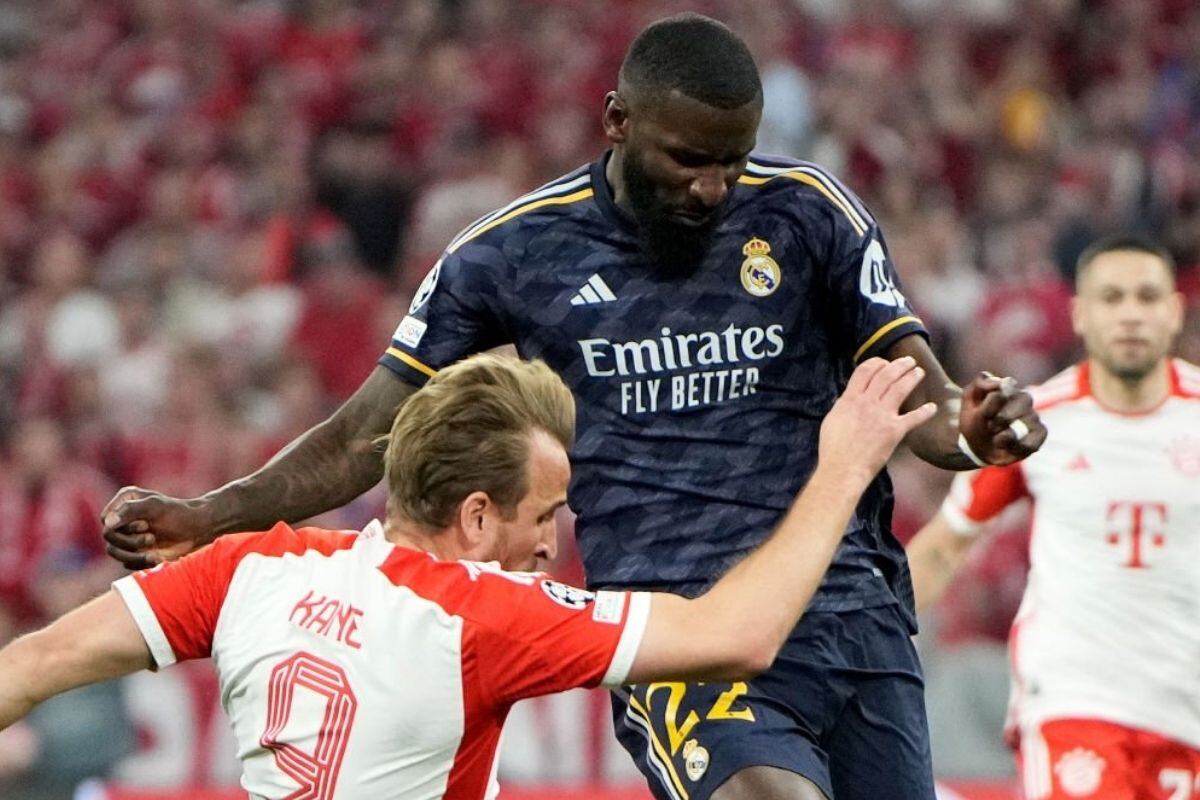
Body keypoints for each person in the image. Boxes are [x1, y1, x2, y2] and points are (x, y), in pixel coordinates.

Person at [102, 14, 1047, 800]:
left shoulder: (807, 214)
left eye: (731, 161)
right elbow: (366, 432)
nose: (713, 188)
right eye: (687, 159)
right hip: (683, 634)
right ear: (616, 121)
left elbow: (914, 393)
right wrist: (215, 513)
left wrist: (969, 431)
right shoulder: (514, 253)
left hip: (856, 616)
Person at [6, 352, 934, 799]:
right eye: (545, 516)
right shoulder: (484, 617)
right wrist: (844, 466)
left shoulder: (255, 565)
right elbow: (740, 635)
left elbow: (38, 661)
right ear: (479, 515)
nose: (551, 544)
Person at [906, 236, 1200, 800]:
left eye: (1147, 296)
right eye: (1112, 298)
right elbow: (945, 547)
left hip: (1185, 706)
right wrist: (860, 643)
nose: (1131, 314)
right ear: (1080, 314)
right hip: (1075, 702)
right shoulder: (1036, 423)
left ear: (1174, 311)